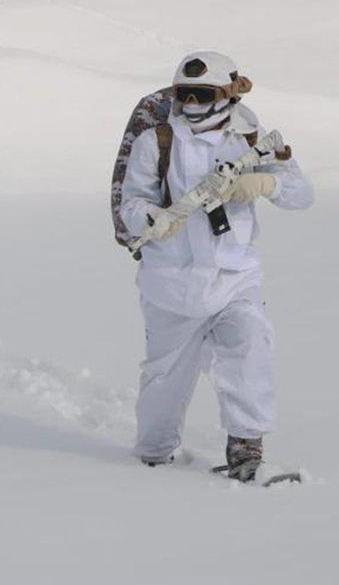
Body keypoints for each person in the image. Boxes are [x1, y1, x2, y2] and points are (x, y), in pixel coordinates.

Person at [118, 51, 313, 481]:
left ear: (226, 94)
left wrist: (265, 183)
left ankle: (246, 448)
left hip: (235, 277)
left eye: (202, 95)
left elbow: (302, 193)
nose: (191, 105)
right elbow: (132, 202)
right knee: (164, 381)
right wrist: (151, 218)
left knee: (250, 348)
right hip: (170, 283)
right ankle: (153, 457)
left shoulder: (249, 139)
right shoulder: (157, 142)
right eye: (183, 94)